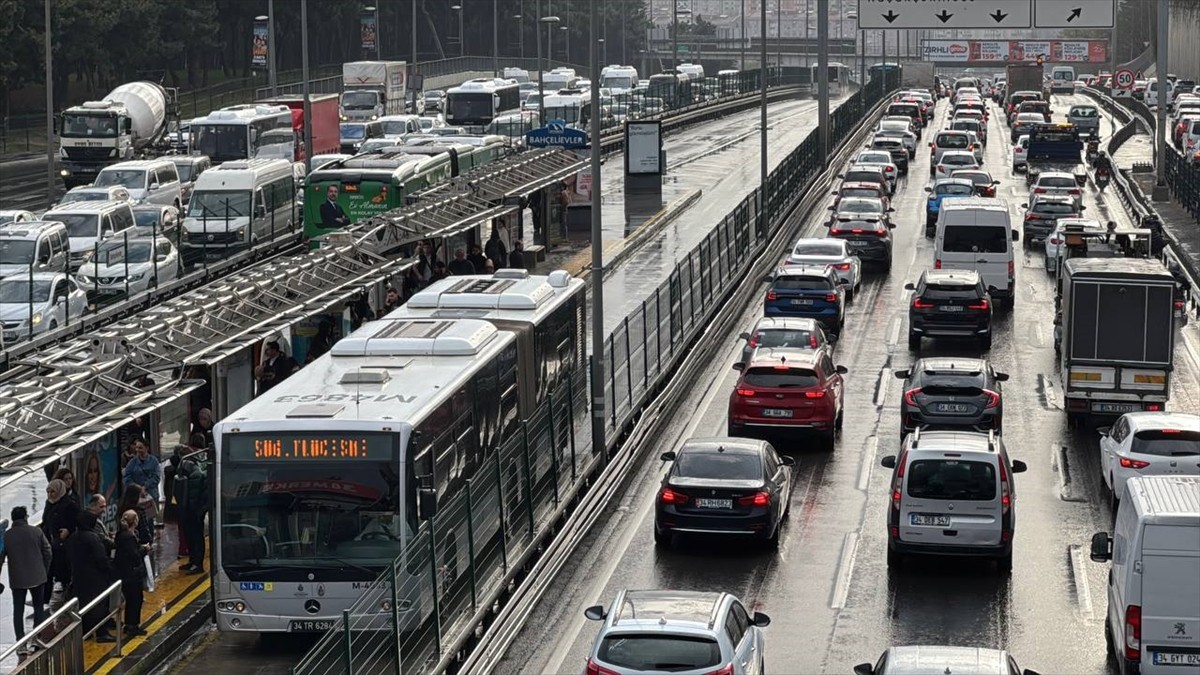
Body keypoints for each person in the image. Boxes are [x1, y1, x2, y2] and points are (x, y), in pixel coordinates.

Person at [0, 506, 52, 646]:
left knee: (18, 609)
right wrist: (44, 570)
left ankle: (20, 641)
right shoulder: (36, 531)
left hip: (18, 579)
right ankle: (37, 636)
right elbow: (48, 552)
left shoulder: (7, 536)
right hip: (38, 576)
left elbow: (1, 558)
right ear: (25, 517)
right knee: (38, 606)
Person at [67, 511, 115, 642]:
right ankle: (101, 632)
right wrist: (109, 569)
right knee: (100, 604)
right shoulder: (93, 538)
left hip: (79, 577)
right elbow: (101, 558)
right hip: (96, 578)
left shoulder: (73, 538)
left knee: (84, 605)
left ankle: (86, 630)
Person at [41, 478, 78, 602]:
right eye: (48, 492)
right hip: (50, 542)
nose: (50, 495)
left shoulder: (69, 504)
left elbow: (75, 521)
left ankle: (67, 595)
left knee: (63, 571)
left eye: (53, 492)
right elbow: (45, 520)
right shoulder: (49, 503)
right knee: (48, 571)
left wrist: (68, 530)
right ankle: (45, 598)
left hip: (63, 544)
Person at [114, 510, 148, 637]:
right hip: (131, 574)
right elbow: (134, 556)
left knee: (132, 599)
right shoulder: (129, 537)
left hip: (125, 573)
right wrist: (144, 549)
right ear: (135, 521)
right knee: (135, 599)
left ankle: (130, 624)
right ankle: (132, 625)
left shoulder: (121, 534)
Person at [175, 458, 209, 574]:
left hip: (195, 512)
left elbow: (194, 498)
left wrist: (193, 512)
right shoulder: (192, 475)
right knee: (190, 536)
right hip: (191, 511)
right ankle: (193, 560)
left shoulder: (195, 477)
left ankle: (197, 564)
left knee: (196, 538)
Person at [122, 437, 161, 511]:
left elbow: (156, 477)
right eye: (136, 448)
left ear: (147, 448)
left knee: (151, 518)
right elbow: (126, 477)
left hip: (151, 495)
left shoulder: (154, 461)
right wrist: (137, 487)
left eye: (140, 448)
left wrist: (145, 486)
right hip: (136, 498)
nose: (138, 450)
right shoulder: (132, 462)